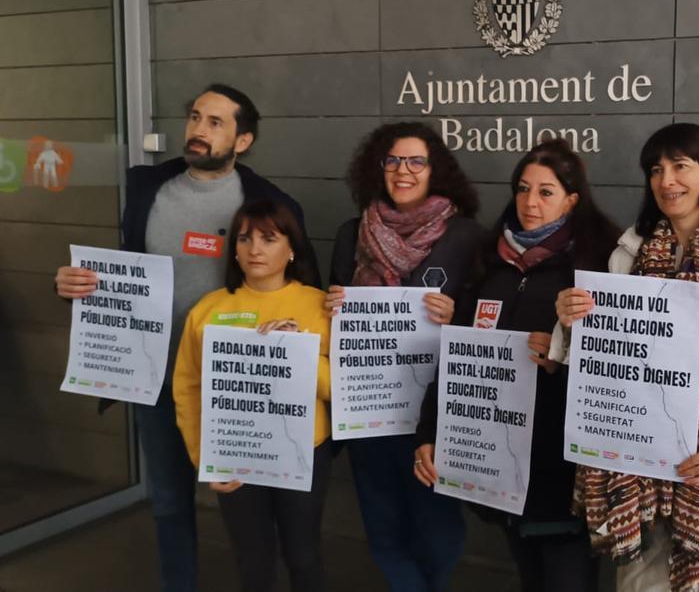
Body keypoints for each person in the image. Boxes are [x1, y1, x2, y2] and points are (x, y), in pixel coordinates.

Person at [53, 83, 315, 592]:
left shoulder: (270, 203)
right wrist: (71, 285)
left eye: (216, 122)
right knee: (169, 505)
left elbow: (300, 286)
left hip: (236, 385)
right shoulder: (148, 188)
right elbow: (121, 272)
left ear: (243, 141)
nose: (198, 129)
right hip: (155, 381)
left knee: (250, 514)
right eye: (196, 117)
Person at [555, 123, 699, 592]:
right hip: (639, 476)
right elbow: (606, 363)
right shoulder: (628, 254)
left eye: (681, 166)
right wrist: (570, 322)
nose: (667, 181)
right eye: (656, 169)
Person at [412, 139, 621, 592]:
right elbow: (458, 355)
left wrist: (564, 357)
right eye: (523, 189)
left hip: (564, 477)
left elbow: (620, 369)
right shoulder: (491, 262)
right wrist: (430, 432)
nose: (530, 202)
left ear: (572, 199)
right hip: (499, 467)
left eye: (546, 192)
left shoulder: (598, 263)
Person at [325, 121, 485, 592]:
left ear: (435, 169)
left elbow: (491, 322)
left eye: (416, 160)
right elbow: (332, 318)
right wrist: (332, 307)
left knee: (441, 532)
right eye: (393, 160)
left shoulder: (467, 237)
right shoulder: (351, 233)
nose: (403, 170)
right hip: (369, 410)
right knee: (383, 529)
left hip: (433, 415)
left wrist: (457, 316)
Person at [173, 199, 330, 592]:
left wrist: (298, 352)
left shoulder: (320, 307)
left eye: (268, 238)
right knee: (251, 558)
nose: (255, 249)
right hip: (236, 452)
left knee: (304, 555)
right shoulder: (208, 310)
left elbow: (341, 389)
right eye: (245, 239)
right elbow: (188, 389)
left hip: (303, 450)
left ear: (291, 248)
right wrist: (205, 459)